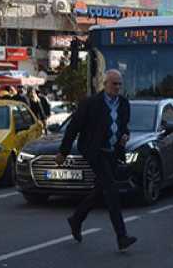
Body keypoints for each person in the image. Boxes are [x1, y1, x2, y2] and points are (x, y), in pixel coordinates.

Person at [57, 70, 137, 251]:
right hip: (95, 152)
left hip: (112, 153)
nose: (117, 87)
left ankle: (76, 219)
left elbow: (124, 127)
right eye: (113, 84)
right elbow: (73, 127)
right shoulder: (91, 103)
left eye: (119, 84)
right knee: (111, 190)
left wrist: (125, 135)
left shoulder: (124, 104)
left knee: (101, 189)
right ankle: (122, 236)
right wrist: (63, 151)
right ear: (105, 84)